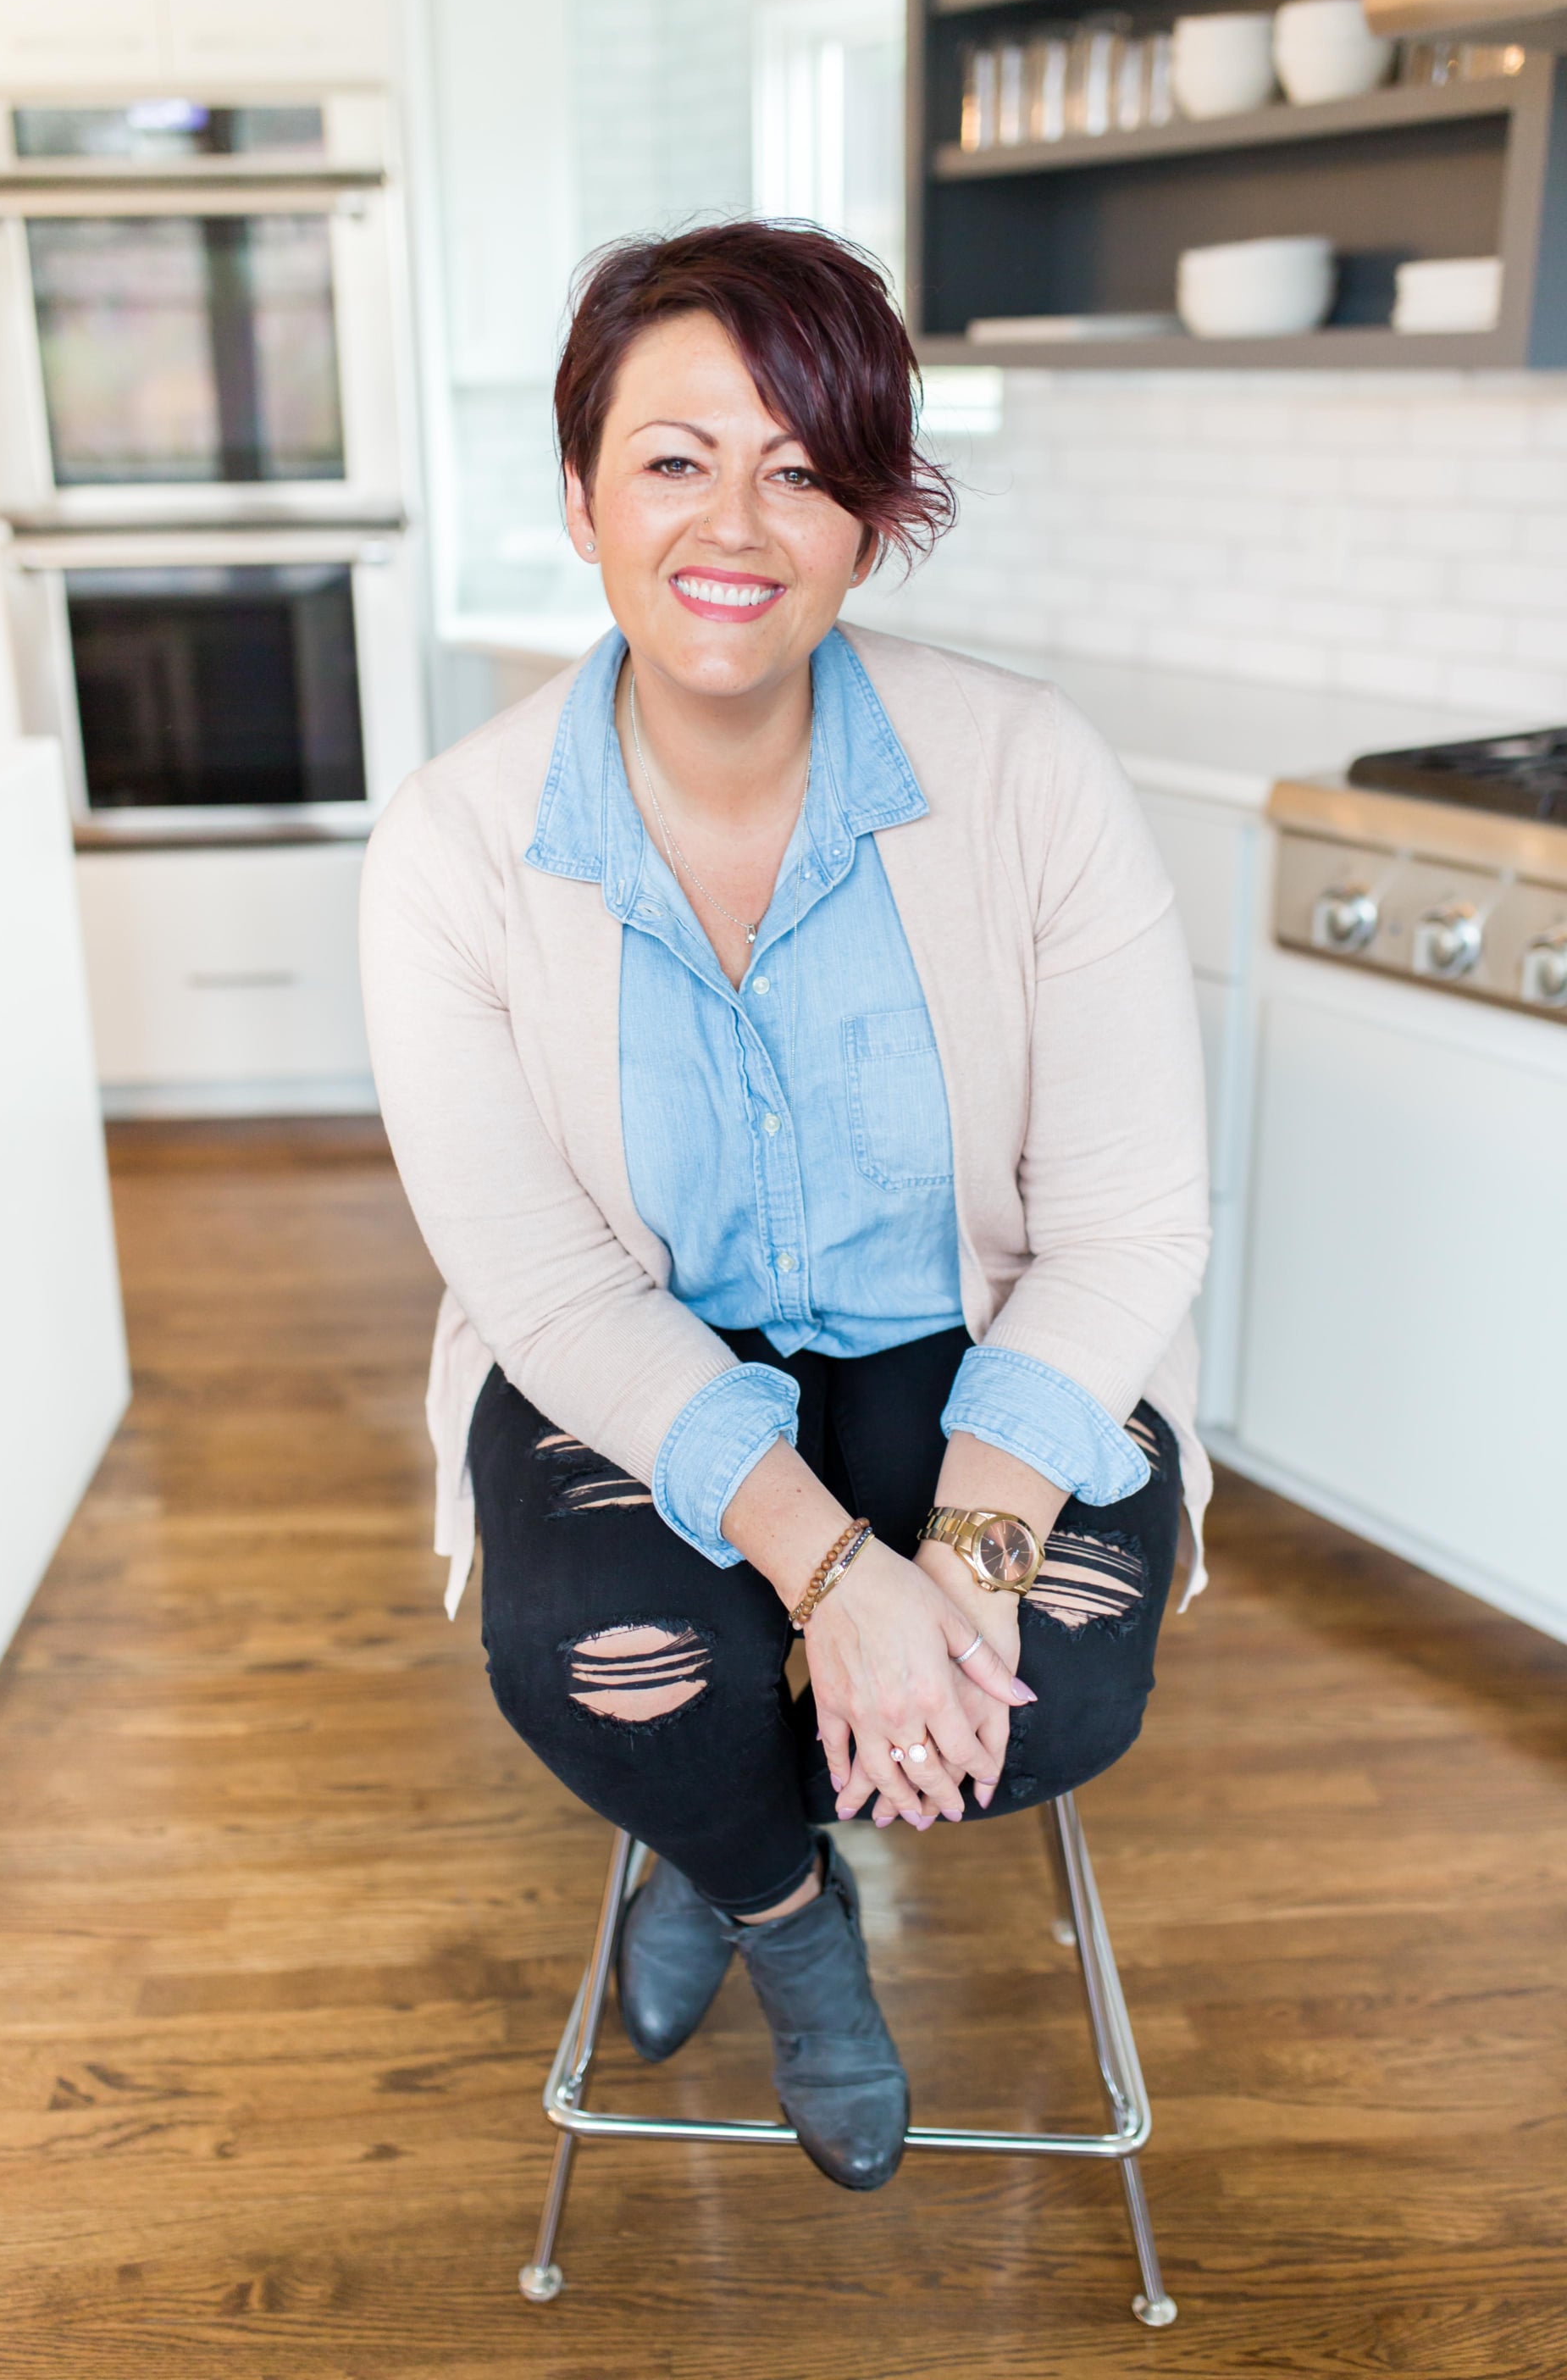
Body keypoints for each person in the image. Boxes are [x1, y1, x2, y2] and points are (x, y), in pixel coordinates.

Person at [361, 219, 1210, 2194]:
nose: (734, 523)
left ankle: (718, 1832)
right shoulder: (456, 848)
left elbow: (1130, 1222)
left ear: (869, 517)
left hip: (967, 1335)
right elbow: (548, 1286)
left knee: (1057, 1683)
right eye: (674, 459)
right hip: (639, 1359)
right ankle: (780, 1912)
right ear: (582, 496)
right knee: (629, 1672)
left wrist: (960, 1576)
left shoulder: (1030, 774)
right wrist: (840, 1585)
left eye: (803, 468)